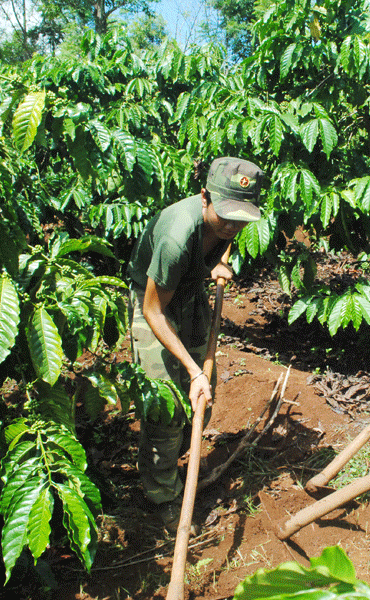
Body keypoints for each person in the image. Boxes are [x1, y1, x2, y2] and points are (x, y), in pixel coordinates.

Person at [127, 157, 265, 532]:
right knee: (166, 404)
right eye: (227, 217)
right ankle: (162, 496)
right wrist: (190, 369)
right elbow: (154, 311)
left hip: (188, 290)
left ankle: (176, 460)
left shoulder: (224, 224)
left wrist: (216, 264)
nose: (234, 226)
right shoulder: (176, 238)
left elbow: (223, 236)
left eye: (242, 218)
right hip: (152, 300)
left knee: (205, 391)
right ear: (205, 197)